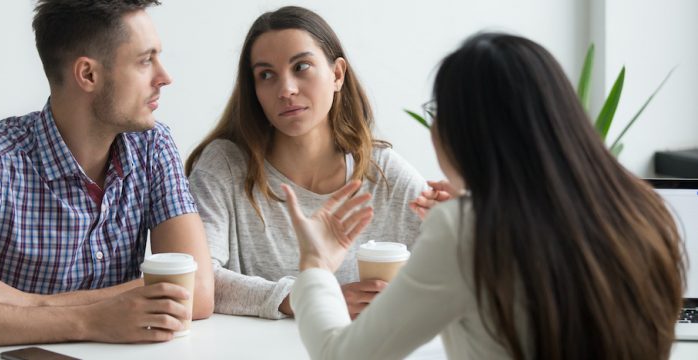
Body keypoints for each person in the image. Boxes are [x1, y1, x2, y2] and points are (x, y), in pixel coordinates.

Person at [283, 33, 685, 360]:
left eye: (437, 111)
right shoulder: (643, 209)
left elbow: (344, 356)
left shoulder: (467, 228)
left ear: (467, 128)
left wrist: (315, 263)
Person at [0, 0, 214, 347]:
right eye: (144, 61)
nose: (164, 77)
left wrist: (35, 304)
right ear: (88, 74)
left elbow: (195, 290)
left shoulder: (152, 145)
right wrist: (88, 320)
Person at [185, 6, 441, 320]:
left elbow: (460, 275)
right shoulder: (224, 165)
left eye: (301, 66)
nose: (286, 89)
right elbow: (197, 280)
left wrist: (470, 225)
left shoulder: (384, 173)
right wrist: (312, 297)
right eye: (266, 75)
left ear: (337, 74)